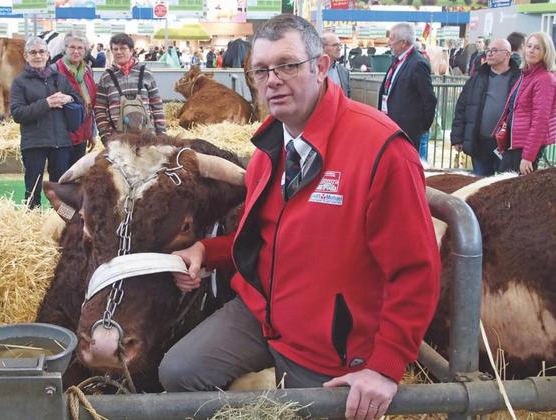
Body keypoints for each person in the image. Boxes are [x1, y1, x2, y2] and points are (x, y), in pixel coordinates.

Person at [158, 14, 440, 420]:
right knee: (178, 372)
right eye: (261, 70)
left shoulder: (382, 150)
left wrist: (385, 365)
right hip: (264, 314)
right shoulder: (270, 145)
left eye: (287, 65)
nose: (272, 80)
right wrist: (206, 248)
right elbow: (267, 238)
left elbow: (416, 270)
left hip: (330, 342)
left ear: (321, 67)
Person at [10, 37, 82, 209]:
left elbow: (78, 99)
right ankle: (31, 221)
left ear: (48, 55)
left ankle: (60, 224)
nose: (38, 56)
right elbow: (17, 113)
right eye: (33, 52)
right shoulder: (20, 82)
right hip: (35, 142)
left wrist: (69, 97)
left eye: (41, 51)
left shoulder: (61, 78)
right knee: (32, 189)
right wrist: (46, 103)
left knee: (60, 190)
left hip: (61, 142)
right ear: (25, 56)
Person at [451, 39, 520, 176]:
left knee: (504, 187)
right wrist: (457, 137)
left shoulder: (519, 79)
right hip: (480, 142)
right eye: (488, 50)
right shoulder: (477, 77)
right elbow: (462, 107)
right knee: (480, 186)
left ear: (507, 54)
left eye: (494, 50)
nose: (489, 54)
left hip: (508, 145)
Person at [496, 32, 556, 175]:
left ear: (546, 52)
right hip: (515, 143)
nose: (531, 50)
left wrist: (528, 156)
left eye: (537, 48)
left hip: (524, 147)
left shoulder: (544, 79)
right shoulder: (527, 74)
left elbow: (540, 120)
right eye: (529, 46)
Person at [94, 33, 165, 144]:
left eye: (123, 48)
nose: (118, 52)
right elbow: (99, 108)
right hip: (118, 140)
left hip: (147, 138)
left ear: (131, 50)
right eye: (115, 49)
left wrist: (161, 134)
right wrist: (105, 135)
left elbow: (156, 105)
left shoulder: (146, 74)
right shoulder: (106, 77)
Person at [377, 23, 437, 151]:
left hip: (407, 130)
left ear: (403, 42)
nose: (389, 42)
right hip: (390, 125)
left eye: (392, 39)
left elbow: (429, 99)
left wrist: (422, 127)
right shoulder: (398, 60)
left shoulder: (417, 63)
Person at [54, 30, 96, 166]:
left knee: (76, 178)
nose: (76, 51)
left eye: (80, 48)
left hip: (82, 134)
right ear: (64, 49)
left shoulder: (87, 71)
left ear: (85, 51)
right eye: (72, 47)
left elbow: (90, 104)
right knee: (60, 177)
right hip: (61, 136)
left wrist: (91, 132)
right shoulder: (55, 70)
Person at [321, 32, 350, 98]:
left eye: (340, 45)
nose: (339, 48)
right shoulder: (313, 69)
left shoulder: (344, 72)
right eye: (335, 45)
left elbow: (348, 97)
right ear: (323, 47)